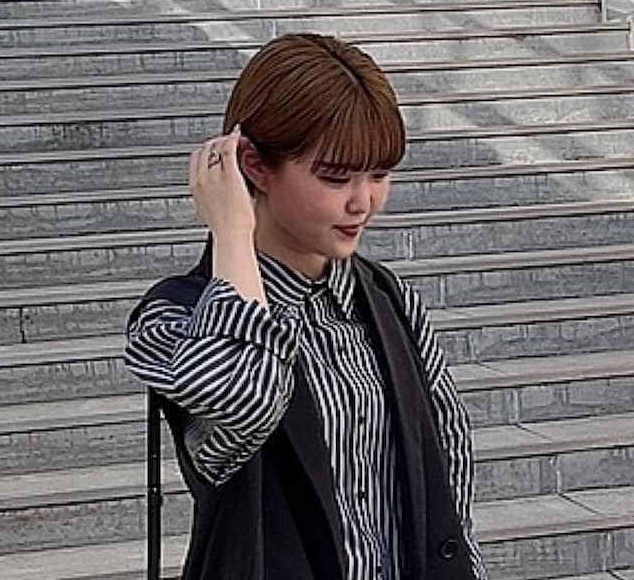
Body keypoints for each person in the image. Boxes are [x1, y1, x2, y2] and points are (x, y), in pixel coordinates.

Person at [124, 32, 487, 580]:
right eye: (335, 177)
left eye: (379, 175)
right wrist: (232, 232)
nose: (363, 202)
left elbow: (448, 461)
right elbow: (247, 401)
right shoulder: (175, 319)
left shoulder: (386, 300)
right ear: (254, 164)